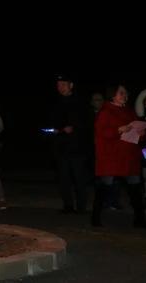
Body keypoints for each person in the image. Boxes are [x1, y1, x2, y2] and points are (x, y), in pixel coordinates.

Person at [92, 85, 146, 228]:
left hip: (129, 157)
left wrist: (142, 134)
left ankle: (140, 220)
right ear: (113, 95)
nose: (125, 95)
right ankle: (95, 218)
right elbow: (101, 133)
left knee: (135, 189)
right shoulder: (105, 112)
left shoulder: (129, 111)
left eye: (126, 93)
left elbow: (137, 131)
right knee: (104, 187)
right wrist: (118, 129)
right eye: (121, 93)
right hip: (111, 157)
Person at [47, 75, 88, 213]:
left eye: (63, 84)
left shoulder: (80, 102)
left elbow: (87, 122)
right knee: (64, 178)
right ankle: (68, 205)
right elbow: (50, 123)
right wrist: (54, 130)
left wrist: (74, 128)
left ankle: (81, 206)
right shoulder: (55, 103)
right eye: (58, 85)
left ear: (71, 85)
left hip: (77, 147)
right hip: (60, 147)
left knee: (79, 178)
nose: (60, 87)